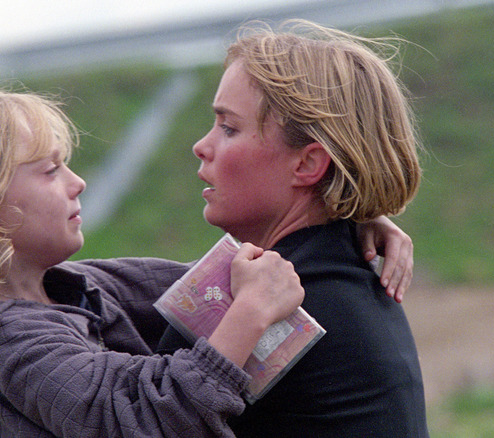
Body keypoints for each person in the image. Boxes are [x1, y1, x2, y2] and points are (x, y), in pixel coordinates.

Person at [0, 89, 414, 437]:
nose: (77, 182)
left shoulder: (79, 287)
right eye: (49, 171)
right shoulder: (3, 344)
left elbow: (219, 284)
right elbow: (143, 418)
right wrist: (250, 314)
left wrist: (348, 215)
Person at [159, 20, 429, 436]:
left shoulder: (279, 304)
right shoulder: (341, 274)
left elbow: (135, 417)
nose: (202, 146)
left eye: (229, 128)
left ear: (307, 165)